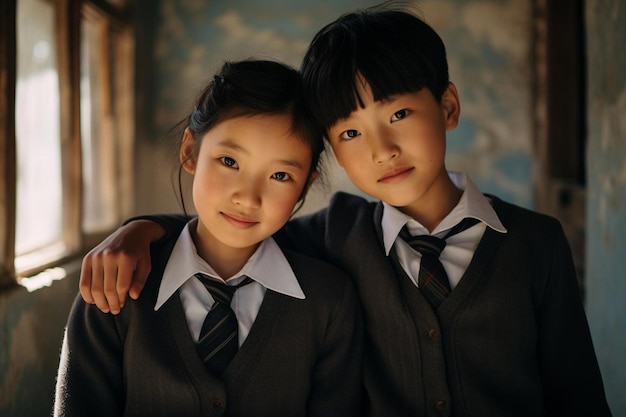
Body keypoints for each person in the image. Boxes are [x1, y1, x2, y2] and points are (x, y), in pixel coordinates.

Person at [78, 2, 612, 416]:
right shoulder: (336, 233)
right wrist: (139, 231)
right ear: (332, 151)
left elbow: (577, 394)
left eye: (399, 112)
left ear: (448, 106)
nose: (381, 149)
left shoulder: (537, 241)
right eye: (351, 132)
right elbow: (236, 227)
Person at [54, 59, 363, 417]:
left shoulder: (329, 302)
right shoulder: (115, 285)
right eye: (229, 161)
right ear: (190, 151)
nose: (248, 198)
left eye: (280, 175)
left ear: (304, 187)